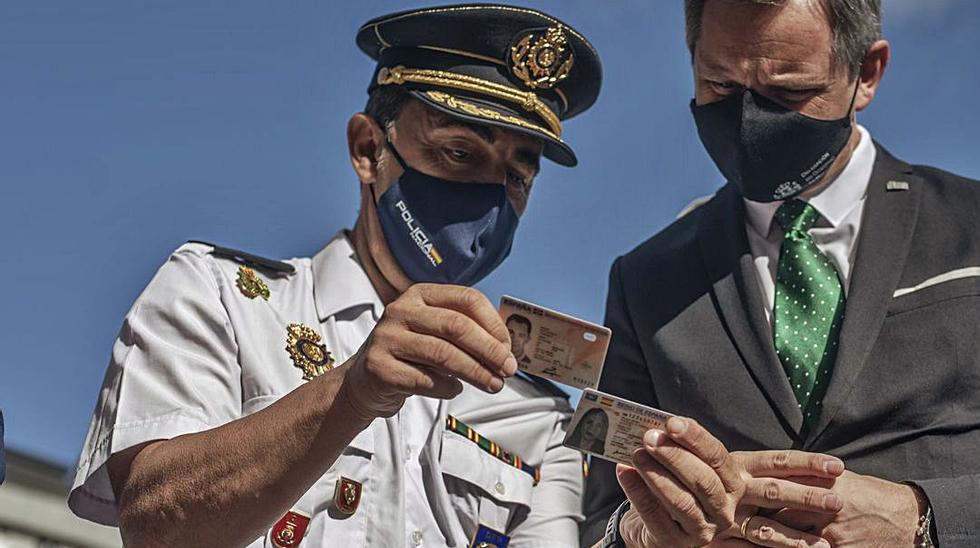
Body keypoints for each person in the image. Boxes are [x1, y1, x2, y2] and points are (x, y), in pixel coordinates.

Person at [583, 1, 980, 547]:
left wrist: (918, 520)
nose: (748, 119)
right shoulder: (644, 280)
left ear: (867, 73)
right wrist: (645, 531)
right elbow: (602, 520)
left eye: (788, 92)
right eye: (722, 86)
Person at [68, 4, 606, 547]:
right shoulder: (221, 297)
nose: (489, 198)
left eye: (516, 176)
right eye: (459, 152)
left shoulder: (539, 414)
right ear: (369, 149)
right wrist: (349, 396)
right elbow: (154, 520)